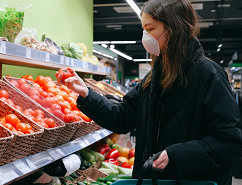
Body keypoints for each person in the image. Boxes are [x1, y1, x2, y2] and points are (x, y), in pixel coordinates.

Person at [57, 0, 242, 185]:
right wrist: (86, 95)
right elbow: (121, 118)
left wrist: (176, 155)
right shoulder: (154, 79)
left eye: (150, 28)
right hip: (153, 180)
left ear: (173, 29)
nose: (145, 36)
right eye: (143, 29)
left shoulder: (209, 76)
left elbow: (228, 142)